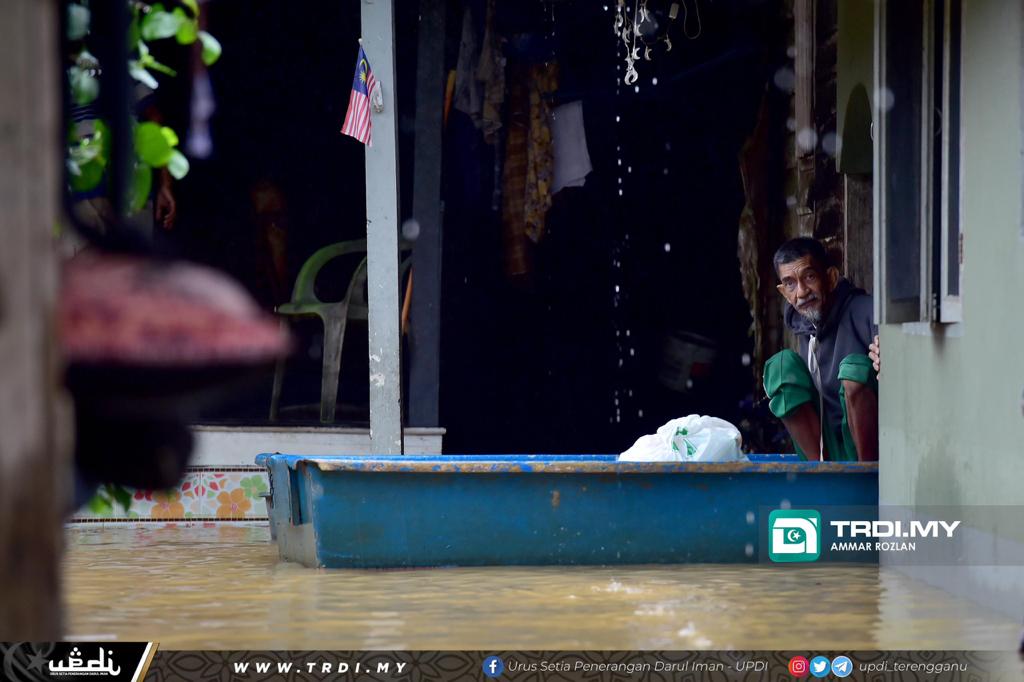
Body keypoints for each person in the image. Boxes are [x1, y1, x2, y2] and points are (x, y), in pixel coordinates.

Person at [762, 237, 878, 461]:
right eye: (790, 283)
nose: (802, 291)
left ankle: (864, 477)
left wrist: (888, 352)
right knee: (781, 366)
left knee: (854, 370)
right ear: (784, 292)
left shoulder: (867, 310)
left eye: (809, 277)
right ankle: (820, 472)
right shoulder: (805, 325)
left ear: (831, 278)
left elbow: (895, 345)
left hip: (871, 451)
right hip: (828, 448)